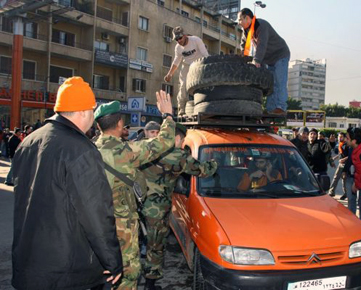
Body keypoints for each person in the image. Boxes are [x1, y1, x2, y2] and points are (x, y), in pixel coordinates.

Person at [11, 76, 123, 290]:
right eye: (92, 111)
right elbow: (96, 214)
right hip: (68, 271)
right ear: (83, 112)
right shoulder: (80, 149)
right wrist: (113, 261)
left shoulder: (28, 142)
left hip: (28, 266)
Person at [94, 92, 175, 290]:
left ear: (98, 126)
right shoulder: (127, 152)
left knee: (102, 273)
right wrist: (168, 116)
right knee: (128, 274)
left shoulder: (89, 152)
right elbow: (163, 142)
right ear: (121, 124)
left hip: (95, 225)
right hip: (123, 225)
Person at [140, 123, 217, 290]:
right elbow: (204, 170)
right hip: (157, 209)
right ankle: (149, 284)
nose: (182, 145)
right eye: (182, 141)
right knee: (156, 246)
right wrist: (218, 162)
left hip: (137, 205)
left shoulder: (148, 149)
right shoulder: (177, 156)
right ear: (176, 138)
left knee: (138, 243)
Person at [237, 8, 290, 114]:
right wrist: (243, 57)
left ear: (247, 18)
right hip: (269, 59)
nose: (239, 23)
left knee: (279, 82)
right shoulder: (247, 30)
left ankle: (281, 107)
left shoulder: (261, 25)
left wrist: (256, 60)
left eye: (240, 20)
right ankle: (270, 109)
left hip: (280, 55)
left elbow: (262, 45)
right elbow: (244, 44)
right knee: (271, 84)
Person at [164, 26, 209, 116]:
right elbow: (176, 62)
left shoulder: (196, 40)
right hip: (187, 65)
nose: (179, 41)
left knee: (203, 85)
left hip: (199, 63)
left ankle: (204, 105)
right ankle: (181, 109)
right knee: (183, 86)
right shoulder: (178, 48)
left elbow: (205, 55)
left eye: (180, 38)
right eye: (176, 39)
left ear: (184, 35)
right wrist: (169, 74)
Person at [328, 132, 349, 199]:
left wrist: (343, 160)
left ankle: (346, 194)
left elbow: (350, 155)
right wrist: (335, 158)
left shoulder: (347, 145)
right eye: (339, 136)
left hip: (345, 165)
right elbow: (341, 154)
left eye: (341, 137)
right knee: (336, 177)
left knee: (344, 179)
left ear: (345, 137)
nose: (339, 138)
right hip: (341, 164)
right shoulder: (340, 144)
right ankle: (331, 192)